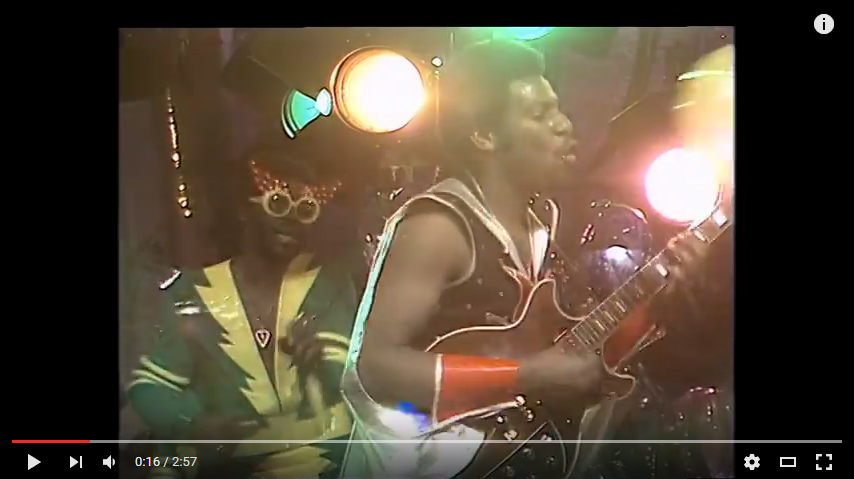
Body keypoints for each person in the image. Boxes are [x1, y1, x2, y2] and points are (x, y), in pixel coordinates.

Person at [339, 39, 712, 479]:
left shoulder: (543, 225)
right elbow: (376, 367)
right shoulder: (439, 226)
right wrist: (528, 376)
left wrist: (662, 294)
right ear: (484, 135)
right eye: (540, 114)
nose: (564, 126)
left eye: (558, 110)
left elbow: (574, 356)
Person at [126, 142, 361, 479]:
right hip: (229, 461)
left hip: (330, 458)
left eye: (305, 209)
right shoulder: (192, 293)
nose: (291, 218)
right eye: (277, 203)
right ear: (243, 209)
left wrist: (321, 356)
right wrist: (192, 423)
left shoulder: (328, 283)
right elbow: (149, 385)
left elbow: (353, 373)